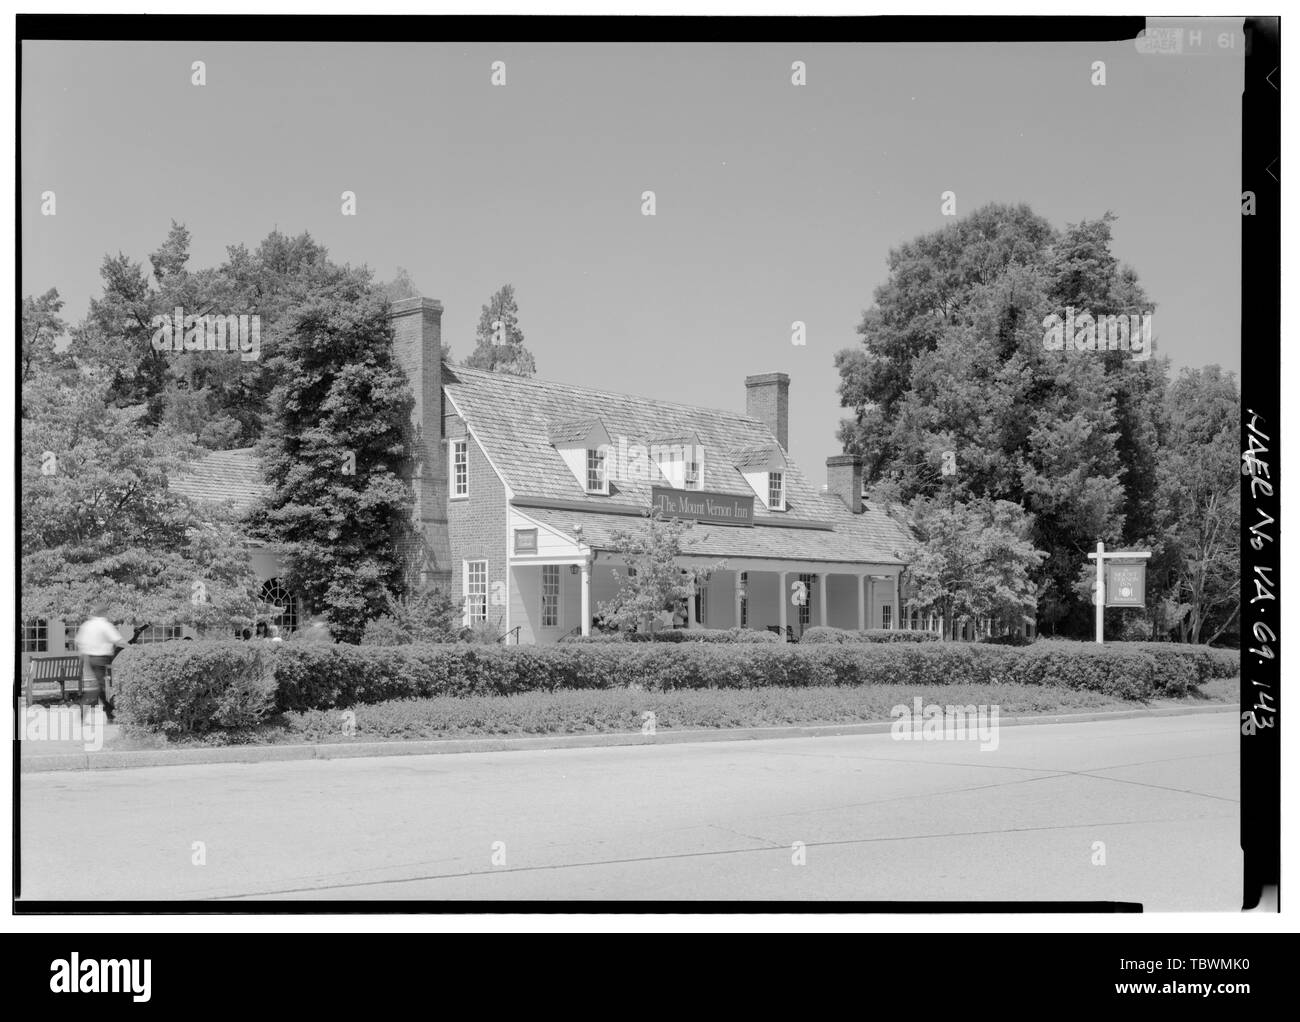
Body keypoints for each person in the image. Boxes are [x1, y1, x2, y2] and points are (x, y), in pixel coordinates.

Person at [75, 603, 126, 722]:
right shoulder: (104, 624)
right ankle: (85, 708)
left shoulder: (87, 625)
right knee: (99, 687)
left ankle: (110, 713)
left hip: (89, 658)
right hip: (101, 658)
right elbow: (118, 640)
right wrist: (131, 647)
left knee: (101, 687)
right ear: (103, 613)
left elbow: (79, 642)